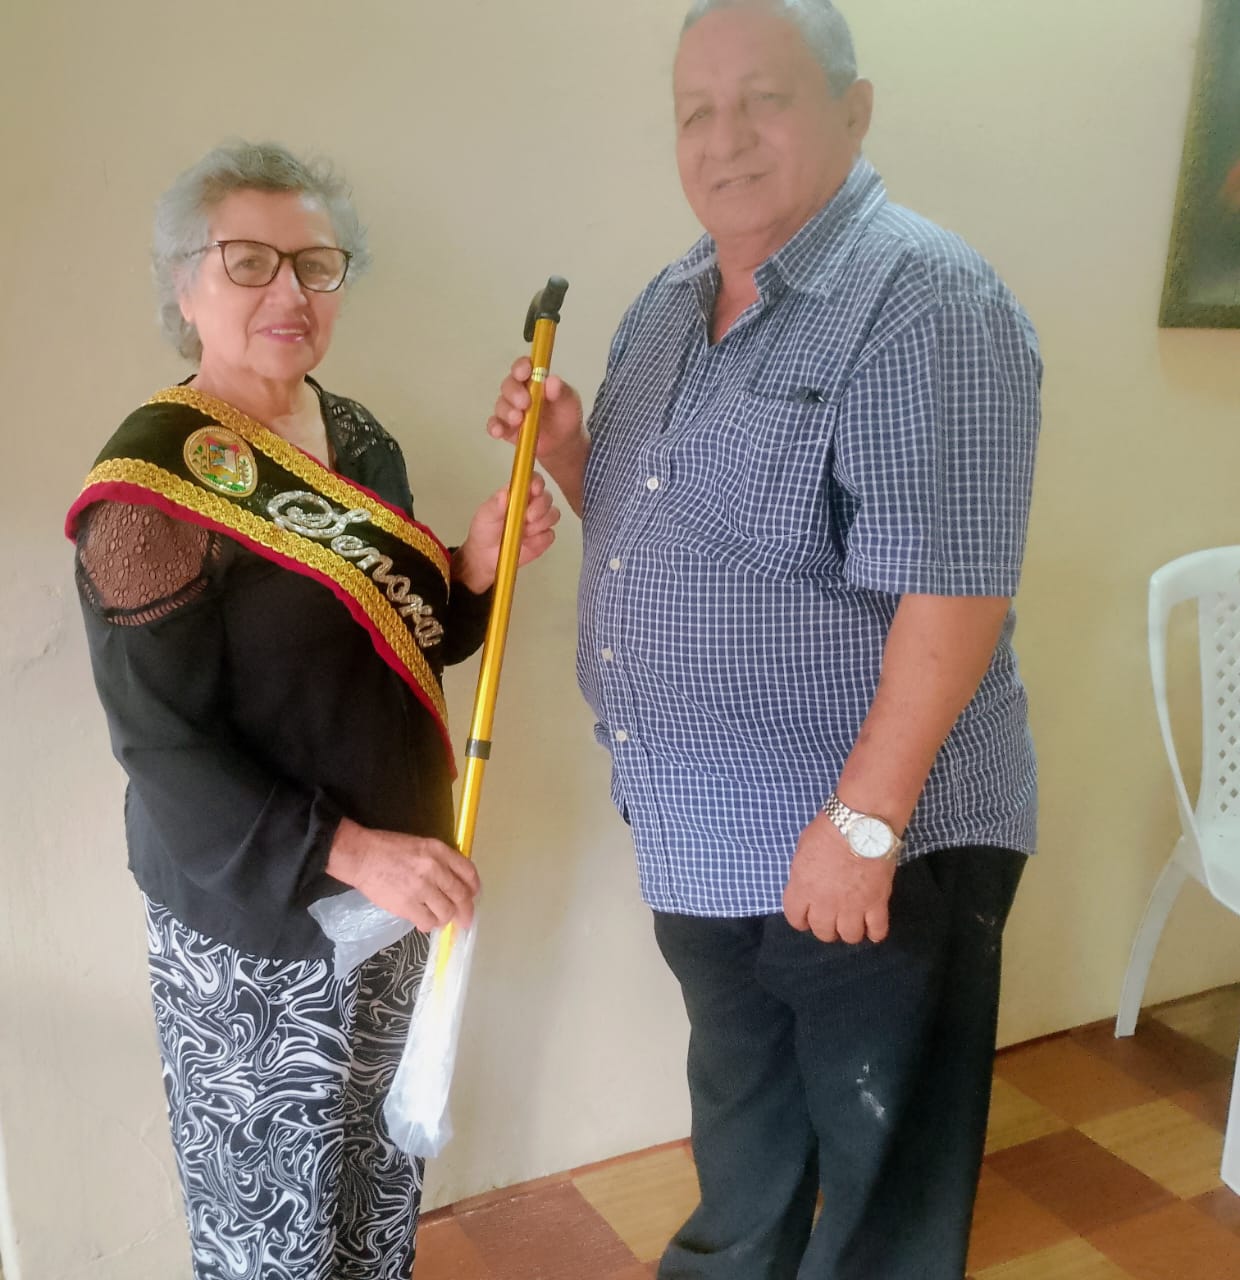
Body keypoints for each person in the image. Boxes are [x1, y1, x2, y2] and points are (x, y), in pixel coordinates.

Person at [488, 2, 1041, 1276]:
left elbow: (953, 593)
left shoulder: (925, 299)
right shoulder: (669, 300)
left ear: (853, 109)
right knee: (745, 1138)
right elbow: (661, 529)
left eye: (763, 99)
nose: (723, 137)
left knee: (882, 1183)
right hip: (705, 831)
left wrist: (863, 824)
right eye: (696, 110)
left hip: (869, 843)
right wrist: (569, 448)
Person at [66, 140, 558, 1280]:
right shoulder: (148, 493)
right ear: (185, 285)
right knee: (271, 1224)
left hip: (398, 897)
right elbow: (163, 752)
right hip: (255, 928)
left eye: (317, 264)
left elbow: (408, 640)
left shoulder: (361, 437)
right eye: (249, 261)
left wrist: (474, 568)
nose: (289, 291)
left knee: (376, 1192)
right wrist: (357, 853)